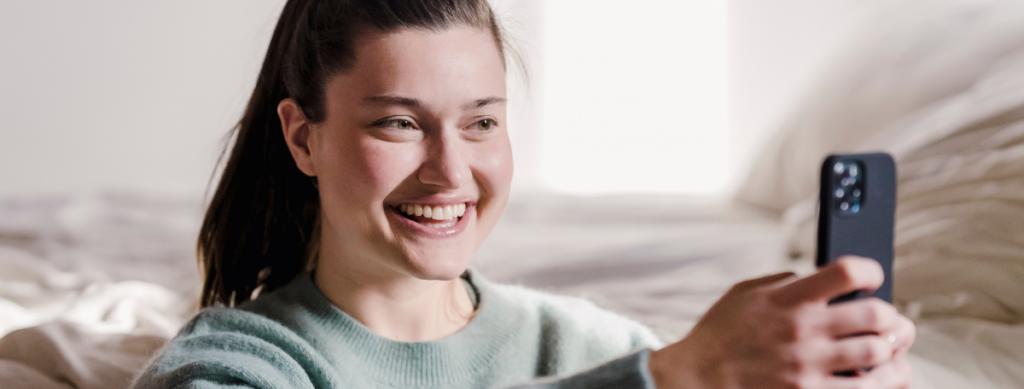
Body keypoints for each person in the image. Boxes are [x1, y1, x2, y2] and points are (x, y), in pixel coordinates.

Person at [132, 0, 916, 388]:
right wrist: (669, 377)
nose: (449, 171)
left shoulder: (585, 343)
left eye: (480, 123)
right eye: (401, 123)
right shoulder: (239, 363)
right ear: (303, 136)